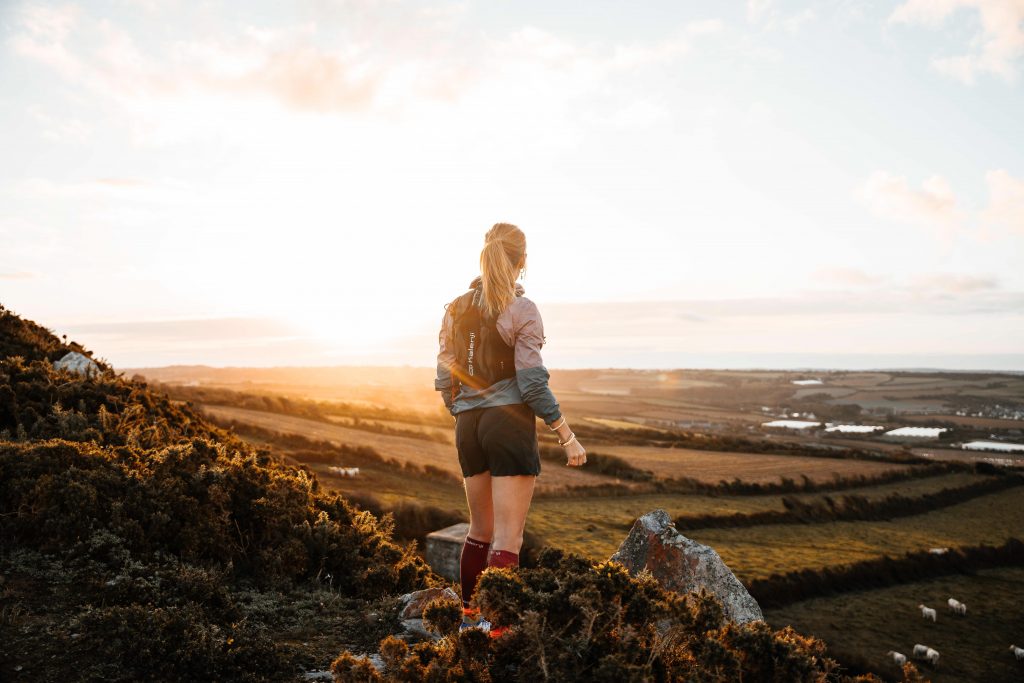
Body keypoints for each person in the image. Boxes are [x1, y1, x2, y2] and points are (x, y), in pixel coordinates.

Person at [434, 222, 586, 635]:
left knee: (478, 530)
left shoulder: (455, 307)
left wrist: (464, 410)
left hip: (469, 426)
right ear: (522, 262)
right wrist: (566, 434)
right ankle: (498, 630)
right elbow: (532, 382)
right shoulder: (522, 310)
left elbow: (444, 376)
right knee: (508, 538)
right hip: (509, 424)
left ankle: (469, 620)